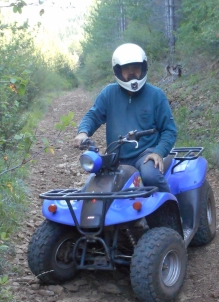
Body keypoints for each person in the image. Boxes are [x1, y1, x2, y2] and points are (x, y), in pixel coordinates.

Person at [74, 43, 177, 192]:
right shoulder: (109, 93)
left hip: (145, 155)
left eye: (135, 68)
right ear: (118, 71)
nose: (132, 73)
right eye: (126, 69)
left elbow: (169, 130)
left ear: (143, 68)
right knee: (92, 189)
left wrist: (158, 152)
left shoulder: (156, 95)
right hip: (116, 157)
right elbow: (93, 115)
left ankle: (170, 213)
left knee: (150, 176)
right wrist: (83, 131)